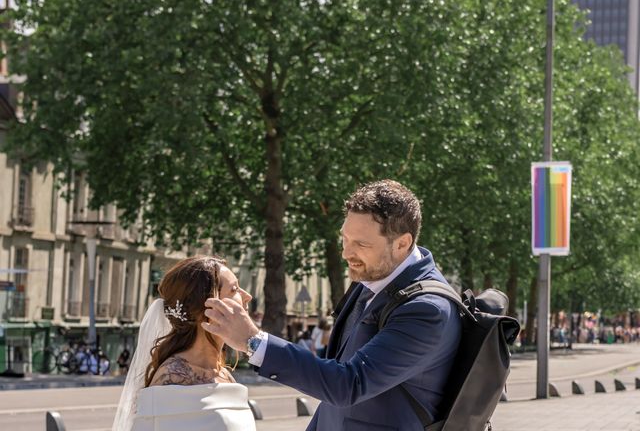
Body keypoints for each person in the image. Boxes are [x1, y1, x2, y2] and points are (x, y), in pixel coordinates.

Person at [203, 180, 462, 431]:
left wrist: (253, 341)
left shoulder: (427, 309)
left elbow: (349, 384)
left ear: (402, 244)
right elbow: (332, 383)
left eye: (361, 244)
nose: (346, 253)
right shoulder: (374, 276)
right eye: (345, 239)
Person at [112, 256, 256, 431]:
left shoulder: (223, 374)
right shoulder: (171, 379)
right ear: (207, 308)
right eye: (234, 289)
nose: (247, 296)